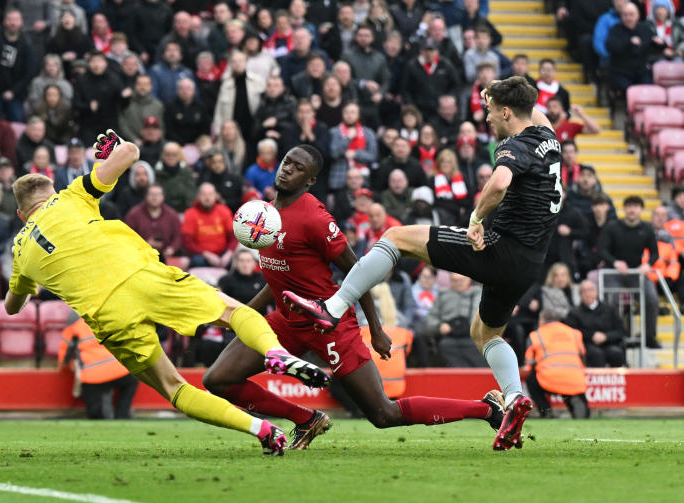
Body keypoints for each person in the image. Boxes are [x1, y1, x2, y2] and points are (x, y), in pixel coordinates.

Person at [5, 131, 330, 455]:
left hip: (109, 316)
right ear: (51, 192)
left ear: (21, 215)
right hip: (143, 277)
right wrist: (108, 154)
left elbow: (12, 306)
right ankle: (275, 353)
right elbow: (131, 152)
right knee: (231, 312)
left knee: (174, 388)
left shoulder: (20, 252)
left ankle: (259, 428)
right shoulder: (71, 195)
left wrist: (26, 285)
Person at [285, 77, 562, 451]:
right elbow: (530, 106)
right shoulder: (547, 133)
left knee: (397, 237)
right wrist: (496, 89)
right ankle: (514, 399)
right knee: (485, 333)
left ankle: (333, 308)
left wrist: (476, 219)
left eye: (490, 111)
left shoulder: (515, 145)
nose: (487, 119)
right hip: (530, 262)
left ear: (507, 111)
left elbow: (498, 183)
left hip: (500, 250)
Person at [202, 144, 504, 451]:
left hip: (328, 323)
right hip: (286, 320)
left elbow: (360, 271)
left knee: (383, 414)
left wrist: (375, 327)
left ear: (310, 181)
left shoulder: (315, 218)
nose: (288, 169)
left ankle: (488, 408)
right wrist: (240, 316)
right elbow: (279, 277)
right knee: (218, 379)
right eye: (287, 162)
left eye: (298, 168)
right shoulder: (264, 216)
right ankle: (306, 419)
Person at [597, 195, 660, 348]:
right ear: (624, 209)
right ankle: (615, 337)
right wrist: (615, 262)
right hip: (613, 272)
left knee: (652, 299)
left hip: (636, 272)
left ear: (641, 210)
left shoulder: (647, 228)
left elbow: (654, 253)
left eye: (636, 206)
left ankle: (649, 337)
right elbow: (602, 249)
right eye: (629, 206)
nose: (632, 210)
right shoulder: (612, 226)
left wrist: (648, 265)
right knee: (614, 299)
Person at [59, 311, 138, 419]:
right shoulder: (110, 312)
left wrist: (66, 368)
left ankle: (110, 415)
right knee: (131, 382)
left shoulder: (74, 319)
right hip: (121, 370)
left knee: (97, 417)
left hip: (93, 376)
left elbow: (64, 356)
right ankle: (122, 414)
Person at [525, 309, 590, 419]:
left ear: (542, 320)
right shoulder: (575, 333)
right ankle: (579, 409)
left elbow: (529, 363)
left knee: (531, 381)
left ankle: (546, 411)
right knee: (570, 390)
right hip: (575, 378)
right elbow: (582, 354)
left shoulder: (535, 335)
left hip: (549, 378)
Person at [566, 280, 627, 368]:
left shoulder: (609, 309)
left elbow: (621, 330)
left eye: (591, 290)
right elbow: (572, 332)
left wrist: (606, 336)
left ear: (596, 292)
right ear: (580, 294)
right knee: (596, 354)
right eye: (584, 291)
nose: (588, 294)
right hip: (587, 345)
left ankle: (618, 381)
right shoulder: (574, 313)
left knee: (616, 353)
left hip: (609, 343)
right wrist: (591, 336)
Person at [181, 183, 236, 268]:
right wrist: (206, 254)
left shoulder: (224, 210)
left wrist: (229, 253)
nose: (207, 198)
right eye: (204, 194)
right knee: (197, 261)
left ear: (216, 196)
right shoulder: (190, 213)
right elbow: (187, 242)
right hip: (201, 255)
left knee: (239, 259)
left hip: (223, 253)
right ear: (198, 197)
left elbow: (234, 236)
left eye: (210, 194)